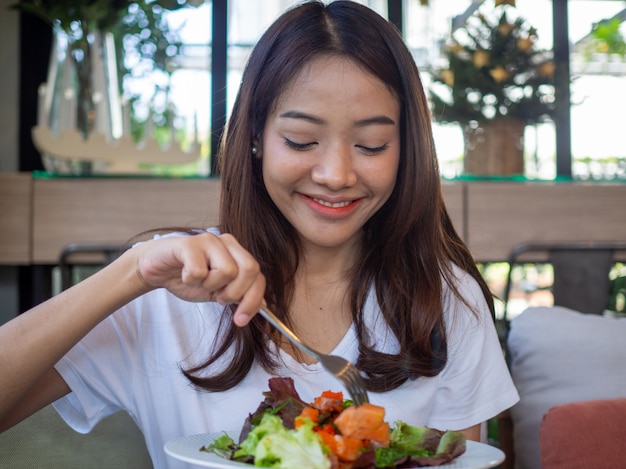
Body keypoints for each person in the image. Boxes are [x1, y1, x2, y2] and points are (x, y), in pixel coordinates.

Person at [0, 1, 519, 467]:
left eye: (372, 145)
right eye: (300, 140)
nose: (336, 174)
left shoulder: (445, 299)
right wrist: (131, 273)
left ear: (406, 149)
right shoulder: (169, 296)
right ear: (254, 136)